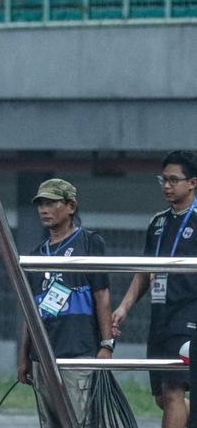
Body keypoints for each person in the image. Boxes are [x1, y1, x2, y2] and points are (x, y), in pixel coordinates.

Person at [16, 178, 113, 428]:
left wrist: (107, 344)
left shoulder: (90, 243)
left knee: (81, 421)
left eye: (51, 203)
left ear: (71, 206)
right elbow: (30, 310)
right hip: (42, 356)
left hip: (78, 352)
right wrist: (24, 355)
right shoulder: (36, 255)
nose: (43, 209)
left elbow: (102, 296)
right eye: (40, 204)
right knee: (50, 423)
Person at [112, 150, 197, 428]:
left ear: (193, 182)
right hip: (160, 315)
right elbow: (144, 271)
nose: (167, 186)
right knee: (163, 396)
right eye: (163, 179)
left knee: (174, 390)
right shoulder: (157, 222)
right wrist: (124, 307)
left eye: (174, 180)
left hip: (188, 315)